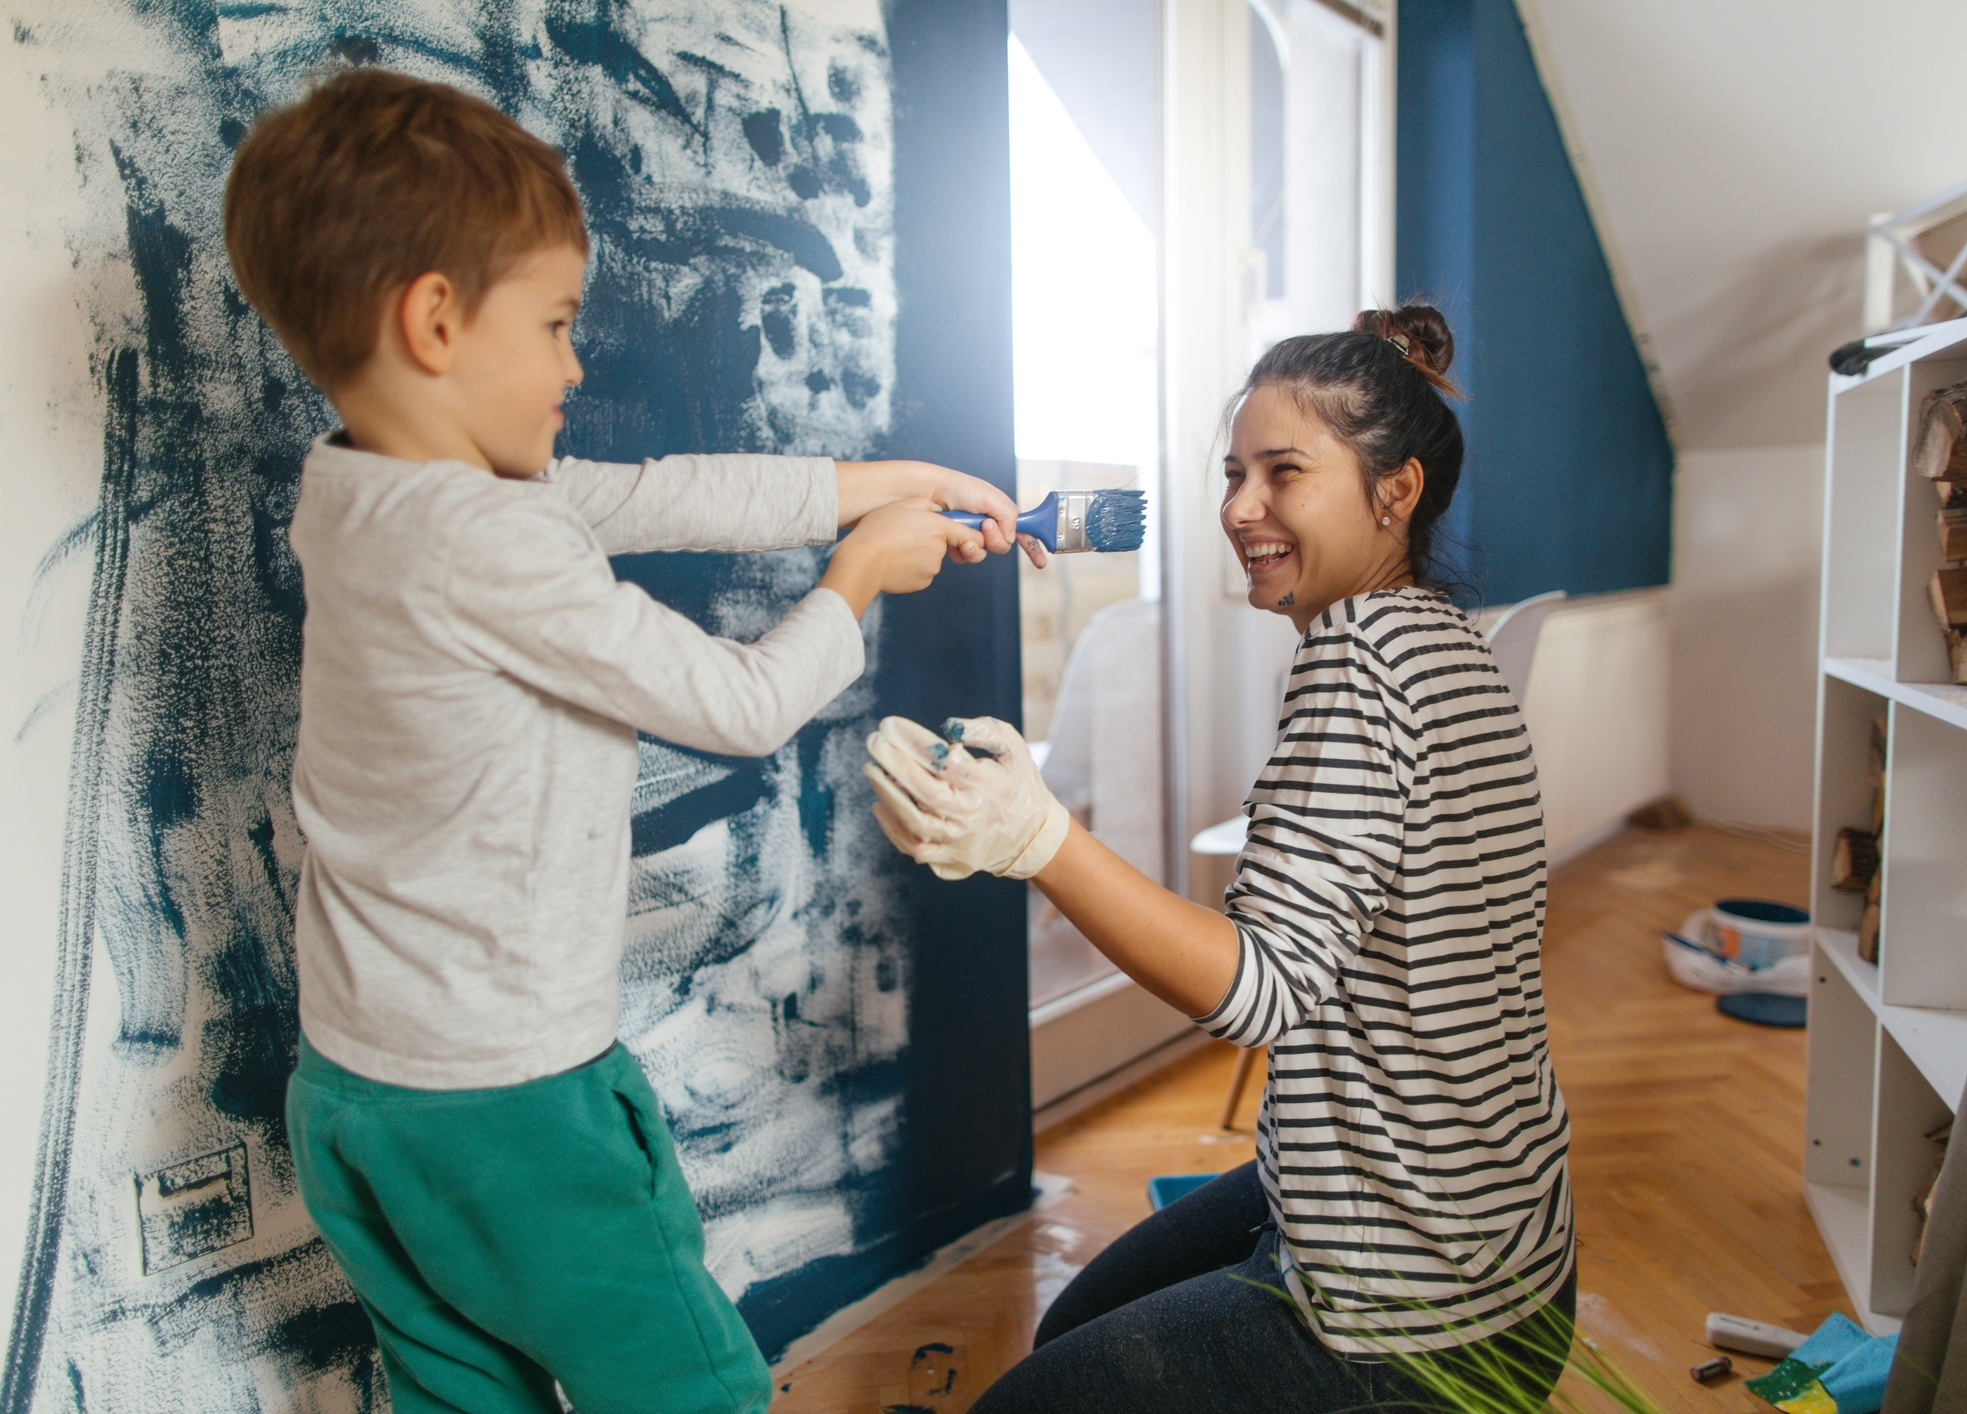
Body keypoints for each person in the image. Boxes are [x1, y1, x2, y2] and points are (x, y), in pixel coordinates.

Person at [221, 69, 1034, 1414]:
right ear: (434, 320)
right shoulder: (492, 542)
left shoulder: (361, 492)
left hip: (358, 1094)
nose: (574, 362)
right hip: (512, 1108)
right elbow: (741, 705)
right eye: (552, 324)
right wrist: (862, 575)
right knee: (687, 1383)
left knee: (456, 1389)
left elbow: (659, 495)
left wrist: (882, 483)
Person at [865, 303, 1576, 1413]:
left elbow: (1260, 992)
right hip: (1505, 1242)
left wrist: (1038, 838)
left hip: (1413, 1322)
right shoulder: (1448, 640)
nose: (1240, 508)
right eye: (1233, 472)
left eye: (1282, 472)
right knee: (1071, 1327)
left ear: (1397, 494)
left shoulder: (1358, 668)